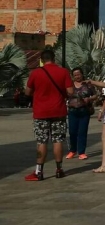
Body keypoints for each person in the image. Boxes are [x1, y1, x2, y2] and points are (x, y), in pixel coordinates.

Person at [23, 49, 74, 181]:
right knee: (58, 140)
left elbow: (27, 92)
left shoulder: (35, 73)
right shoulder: (63, 72)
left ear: (41, 60)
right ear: (54, 58)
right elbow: (70, 91)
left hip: (40, 112)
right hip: (59, 111)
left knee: (41, 141)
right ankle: (59, 169)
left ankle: (39, 172)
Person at [66, 67, 95, 161]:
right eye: (75, 75)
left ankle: (81, 152)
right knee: (72, 132)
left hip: (84, 111)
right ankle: (72, 150)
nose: (77, 76)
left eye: (78, 74)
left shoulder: (88, 85)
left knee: (82, 132)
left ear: (82, 74)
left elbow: (95, 95)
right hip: (72, 111)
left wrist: (89, 99)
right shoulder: (69, 85)